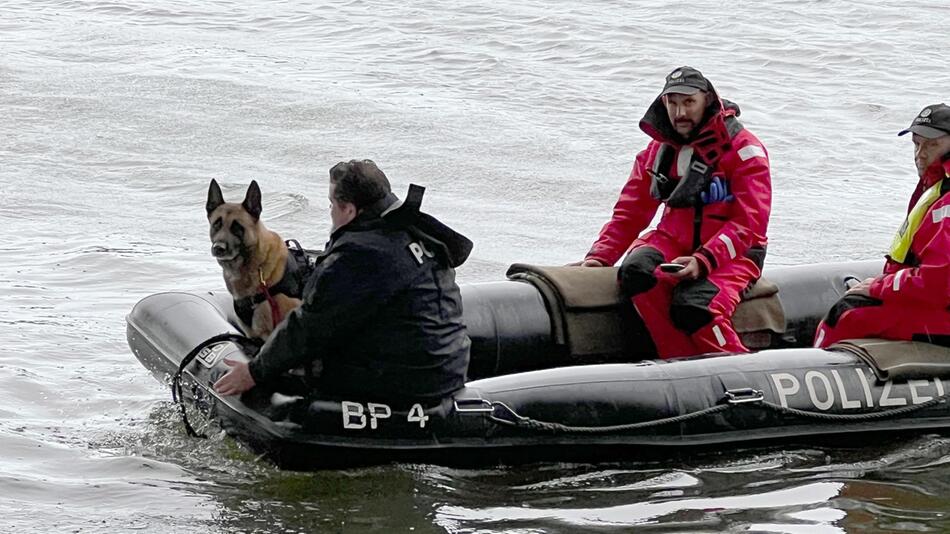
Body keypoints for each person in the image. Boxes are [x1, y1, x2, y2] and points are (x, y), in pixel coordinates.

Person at [213, 159, 473, 403]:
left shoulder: (357, 256)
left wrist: (254, 371)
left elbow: (310, 328)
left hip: (403, 384)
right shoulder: (416, 230)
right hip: (449, 369)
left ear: (348, 210)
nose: (330, 211)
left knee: (302, 363)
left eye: (331, 204)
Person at [577, 66, 771, 358]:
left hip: (734, 252)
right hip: (675, 240)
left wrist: (703, 260)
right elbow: (631, 211)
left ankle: (740, 368)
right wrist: (599, 257)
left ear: (707, 100)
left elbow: (750, 223)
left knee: (695, 305)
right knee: (636, 273)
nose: (680, 112)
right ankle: (676, 360)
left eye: (688, 102)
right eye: (673, 102)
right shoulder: (657, 151)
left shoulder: (745, 150)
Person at [814, 104, 950, 348]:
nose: (920, 153)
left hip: (942, 309)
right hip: (936, 301)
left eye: (932, 145)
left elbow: (938, 281)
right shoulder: (936, 188)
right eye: (916, 144)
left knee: (846, 315)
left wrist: (879, 287)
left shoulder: (945, 201)